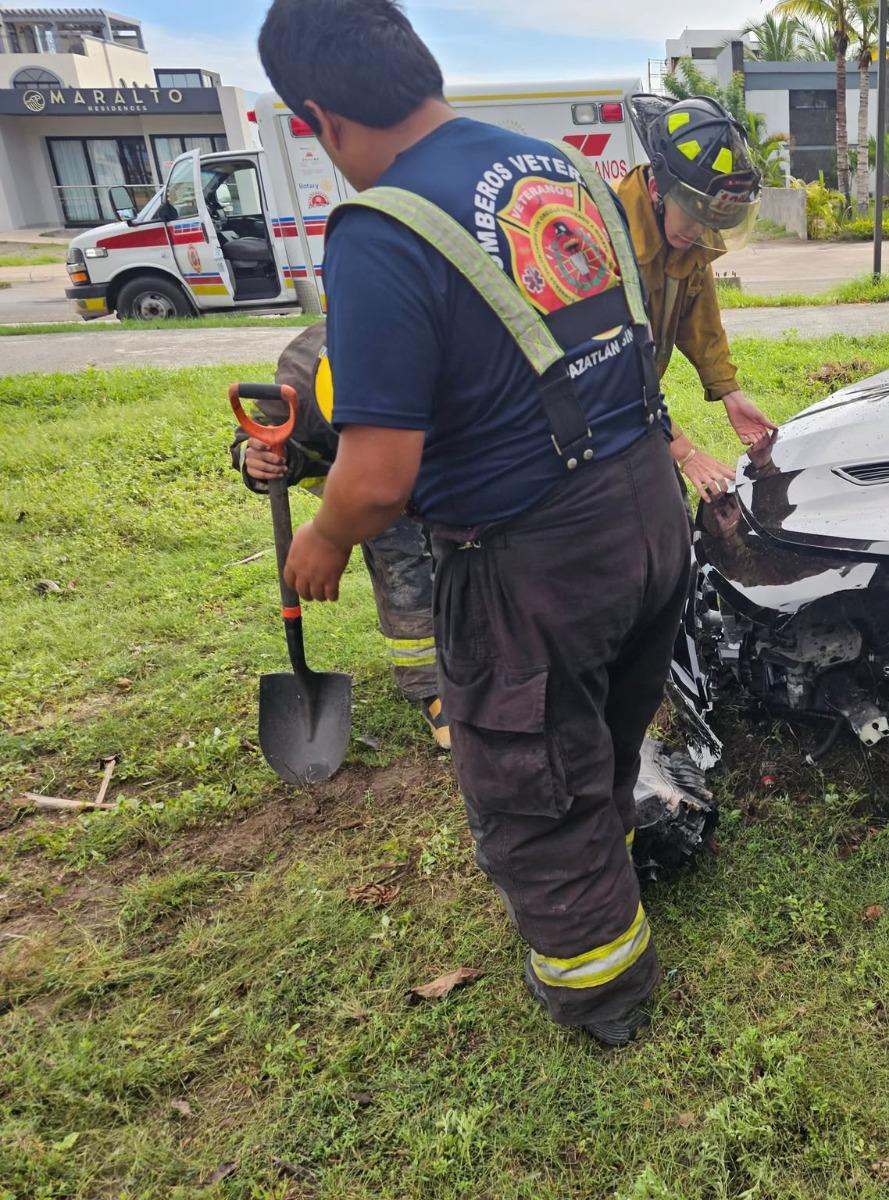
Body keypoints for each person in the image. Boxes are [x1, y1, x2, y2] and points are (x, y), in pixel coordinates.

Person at [258, 0, 689, 1046]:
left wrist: (323, 538)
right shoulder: (565, 170)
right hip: (646, 507)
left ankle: (602, 996)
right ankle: (616, 869)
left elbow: (377, 480)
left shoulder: (382, 229)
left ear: (319, 117)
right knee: (602, 727)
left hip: (535, 559)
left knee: (534, 785)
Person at [230, 322, 450, 750]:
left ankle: (482, 654)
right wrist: (256, 459)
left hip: (434, 464)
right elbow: (255, 434)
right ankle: (431, 686)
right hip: (358, 486)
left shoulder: (427, 350)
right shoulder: (300, 378)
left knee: (464, 549)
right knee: (405, 563)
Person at [619, 94, 778, 500]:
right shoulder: (611, 244)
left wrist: (730, 392)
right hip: (591, 420)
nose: (698, 232)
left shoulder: (688, 239)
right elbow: (614, 372)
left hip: (640, 409)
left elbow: (701, 325)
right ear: (656, 188)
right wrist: (685, 452)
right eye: (693, 215)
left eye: (710, 221)